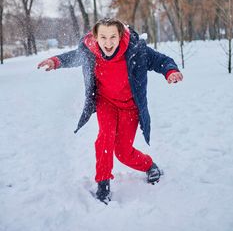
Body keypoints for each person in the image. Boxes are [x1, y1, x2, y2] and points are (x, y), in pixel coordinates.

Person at [38, 18, 183, 204]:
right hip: (105, 102)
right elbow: (74, 56)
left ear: (120, 35)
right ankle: (103, 185)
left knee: (123, 152)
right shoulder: (91, 51)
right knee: (104, 138)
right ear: (95, 37)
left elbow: (160, 60)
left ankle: (149, 165)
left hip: (130, 107)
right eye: (103, 37)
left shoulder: (136, 51)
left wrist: (170, 71)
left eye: (113, 36)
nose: (108, 42)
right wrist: (55, 61)